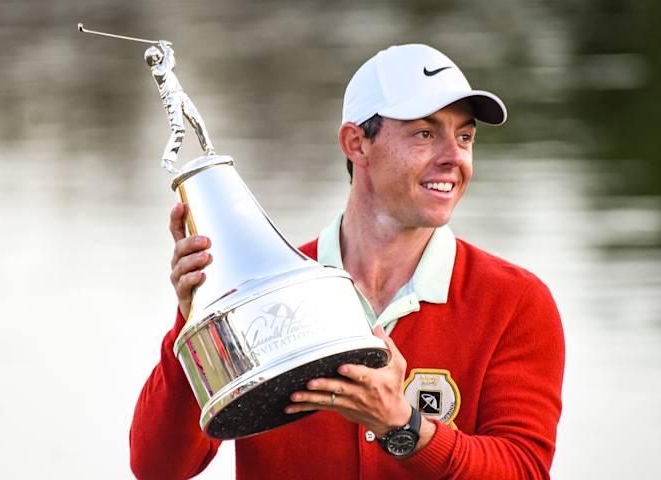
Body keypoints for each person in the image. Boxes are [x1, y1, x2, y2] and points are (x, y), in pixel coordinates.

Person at [130, 44, 565, 479]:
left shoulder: (515, 301)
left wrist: (403, 426)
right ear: (356, 143)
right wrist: (194, 319)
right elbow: (158, 468)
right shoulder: (261, 293)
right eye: (425, 134)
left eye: (465, 137)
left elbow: (524, 470)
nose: (454, 158)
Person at [144, 40, 215, 173]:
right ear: (154, 58)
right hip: (171, 100)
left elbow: (173, 63)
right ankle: (166, 160)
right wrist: (166, 48)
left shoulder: (162, 65)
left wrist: (166, 50)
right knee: (179, 130)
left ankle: (210, 150)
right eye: (157, 52)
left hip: (181, 95)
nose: (159, 53)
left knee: (198, 121)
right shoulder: (157, 70)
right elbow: (169, 62)